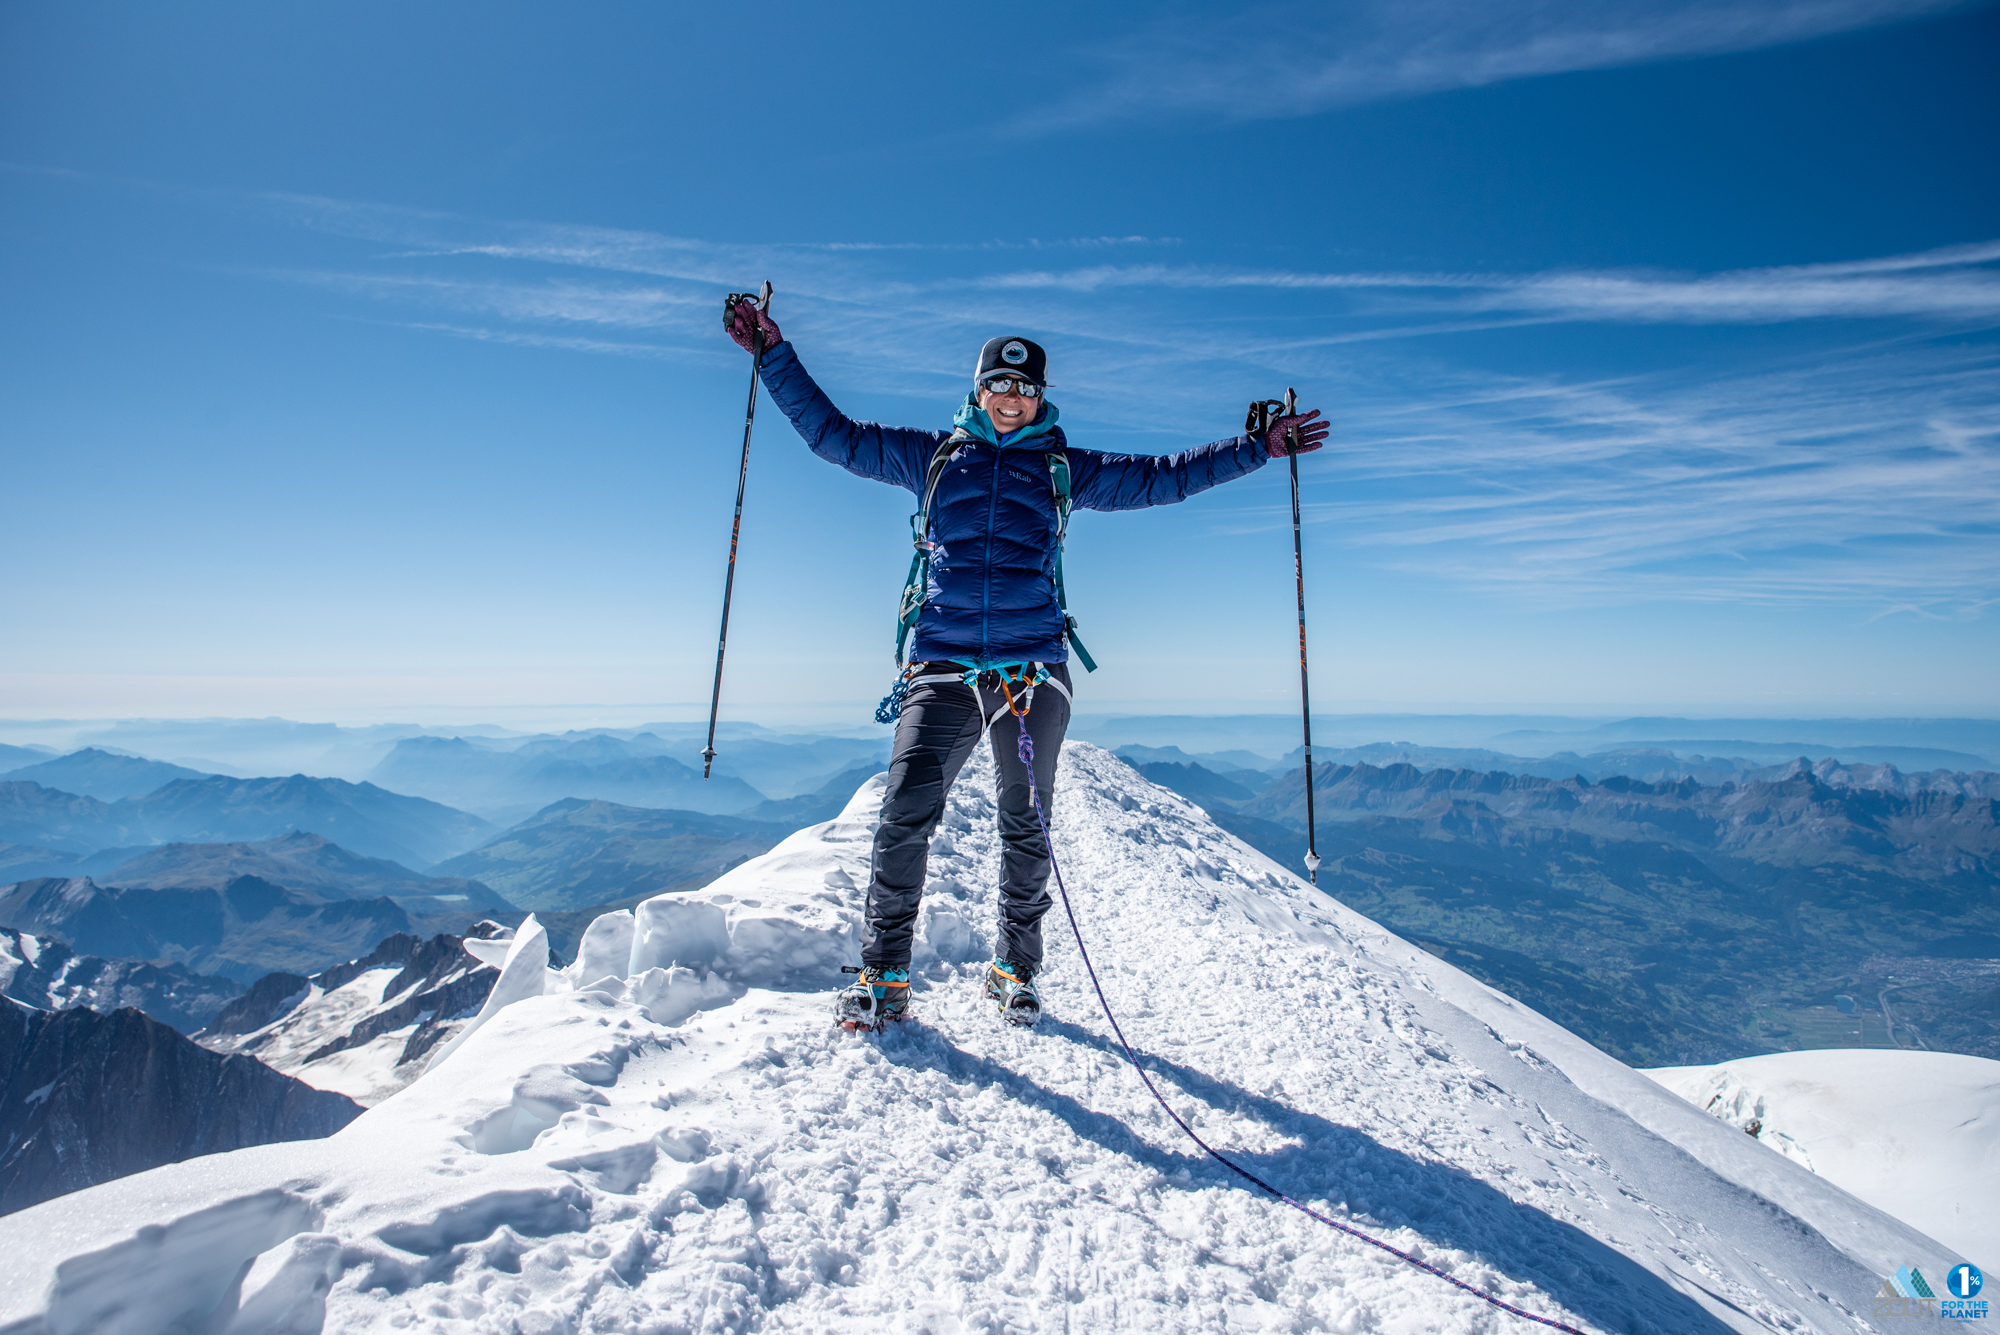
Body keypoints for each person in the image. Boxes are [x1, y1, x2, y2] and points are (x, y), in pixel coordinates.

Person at [724, 299, 1326, 1029]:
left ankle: (1016, 969)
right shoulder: (933, 457)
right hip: (944, 661)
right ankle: (884, 974)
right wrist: (773, 357)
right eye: (999, 386)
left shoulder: (1062, 468)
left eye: (1026, 388)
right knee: (904, 811)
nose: (1012, 399)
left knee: (1026, 821)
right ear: (978, 390)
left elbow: (1164, 476)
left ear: (1041, 397)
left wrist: (1257, 447)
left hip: (1032, 668)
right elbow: (832, 435)